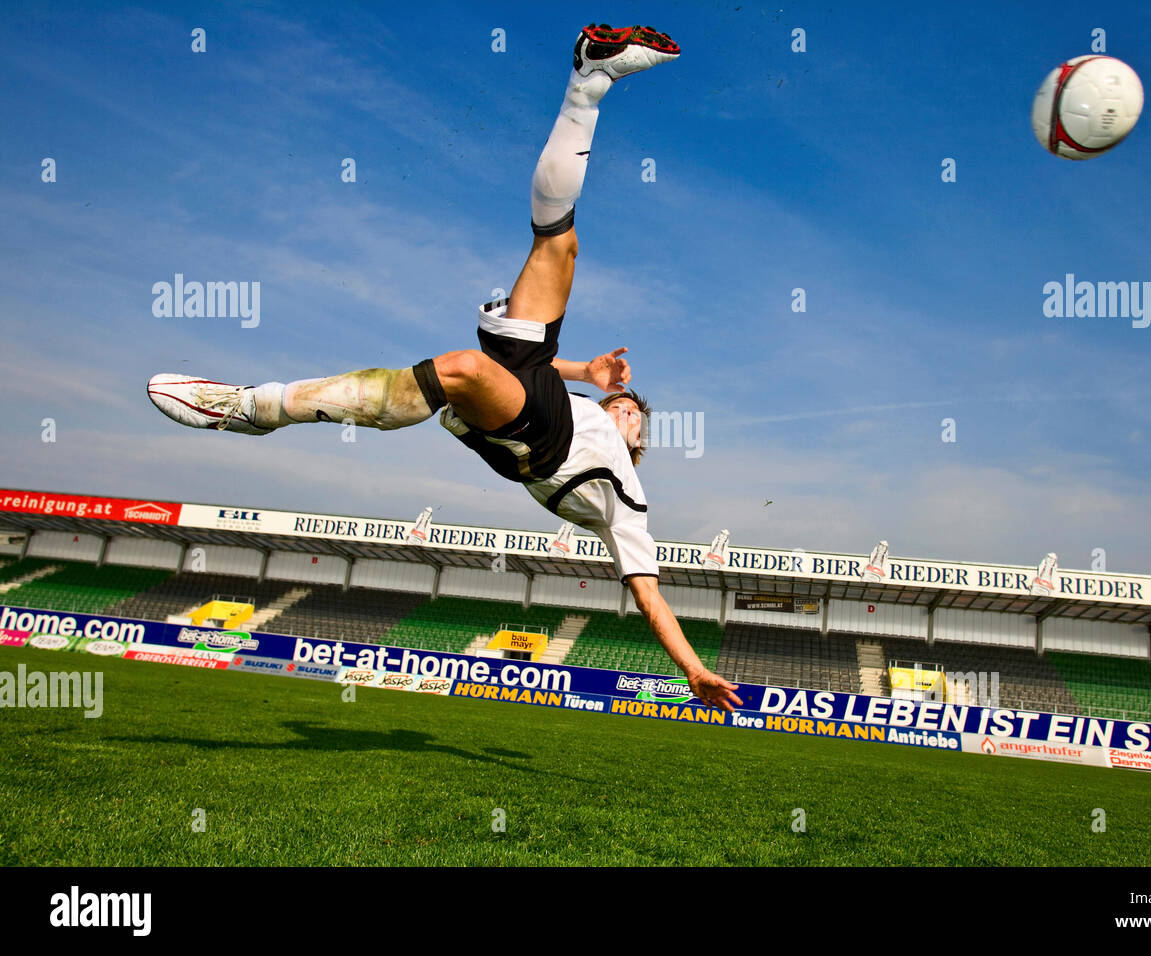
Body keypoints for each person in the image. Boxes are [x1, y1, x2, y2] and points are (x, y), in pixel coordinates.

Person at [147, 24, 742, 712]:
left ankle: (258, 408)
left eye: (635, 413)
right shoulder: (589, 407)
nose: (626, 406)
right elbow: (548, 379)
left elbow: (647, 592)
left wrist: (693, 669)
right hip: (539, 388)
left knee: (460, 369)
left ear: (637, 445)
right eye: (624, 404)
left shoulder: (627, 499)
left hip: (536, 444)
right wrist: (590, 374)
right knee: (561, 243)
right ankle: (590, 80)